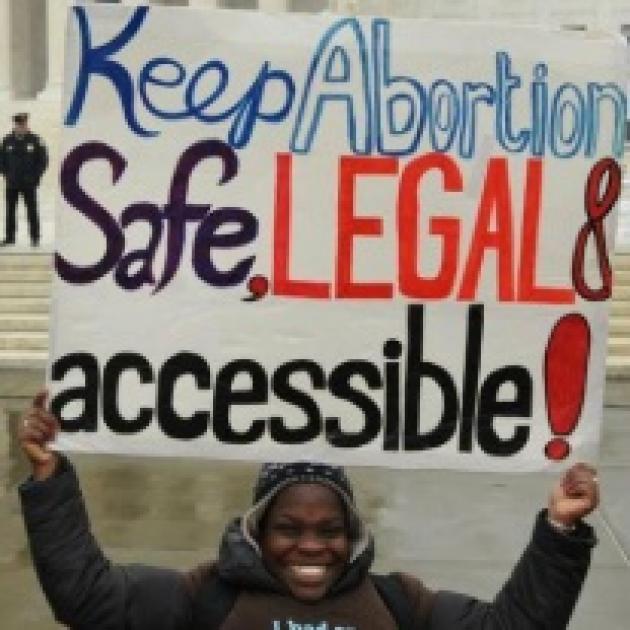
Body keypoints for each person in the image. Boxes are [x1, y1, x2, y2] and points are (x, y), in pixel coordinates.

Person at [18, 391, 599, 629]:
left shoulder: (400, 604)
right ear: (257, 531)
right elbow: (87, 598)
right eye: (289, 529)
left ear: (352, 534)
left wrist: (559, 531)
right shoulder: (206, 596)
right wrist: (49, 479)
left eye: (330, 529)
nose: (312, 545)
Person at [0, 113, 48, 247]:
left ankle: (35, 237)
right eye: (19, 125)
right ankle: (10, 238)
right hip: (12, 183)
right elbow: (2, 160)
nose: (22, 127)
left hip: (29, 183)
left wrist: (35, 177)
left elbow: (43, 161)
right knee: (10, 211)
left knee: (32, 210)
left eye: (24, 124)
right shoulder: (7, 141)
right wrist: (7, 175)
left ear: (27, 124)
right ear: (15, 125)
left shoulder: (36, 140)